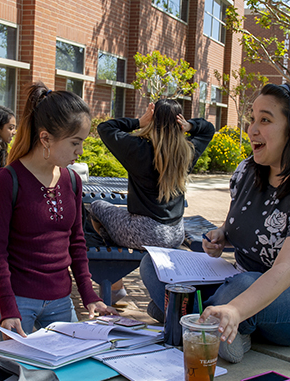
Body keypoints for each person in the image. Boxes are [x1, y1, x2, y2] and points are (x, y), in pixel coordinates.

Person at [139, 83, 290, 363]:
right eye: (252, 119)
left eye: (265, 120)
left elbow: (285, 271)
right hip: (240, 280)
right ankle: (204, 323)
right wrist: (222, 235)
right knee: (154, 265)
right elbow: (237, 222)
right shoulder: (248, 171)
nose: (252, 129)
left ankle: (188, 318)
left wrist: (235, 310)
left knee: (241, 286)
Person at [0, 82, 114, 341]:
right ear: (45, 138)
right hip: (16, 302)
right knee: (17, 376)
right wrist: (8, 308)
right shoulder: (7, 180)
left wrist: (89, 294)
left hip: (61, 301)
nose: (80, 152)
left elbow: (77, 243)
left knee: (68, 374)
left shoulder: (72, 180)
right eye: (75, 143)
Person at [90, 100, 214, 302]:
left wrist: (139, 121)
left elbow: (105, 128)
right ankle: (115, 283)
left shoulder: (138, 149)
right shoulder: (187, 152)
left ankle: (114, 284)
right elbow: (208, 129)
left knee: (96, 207)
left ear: (153, 120)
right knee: (114, 218)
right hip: (175, 234)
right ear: (179, 122)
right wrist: (191, 126)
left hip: (144, 233)